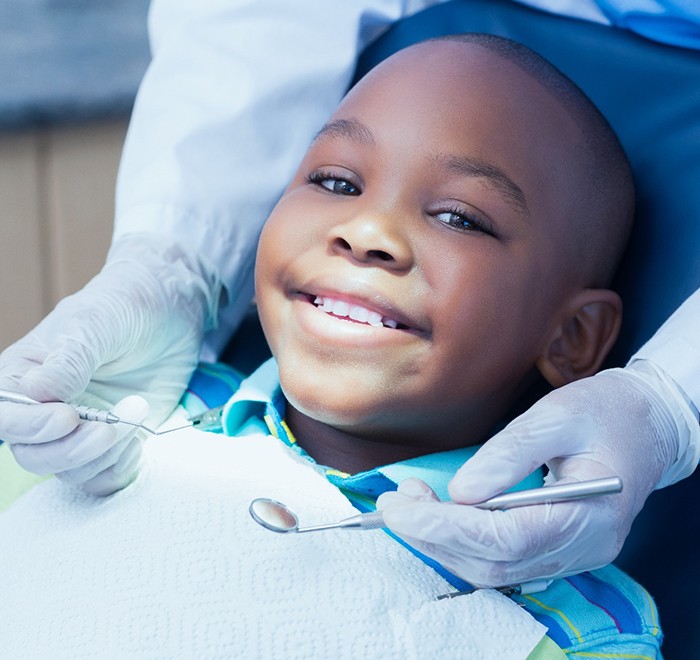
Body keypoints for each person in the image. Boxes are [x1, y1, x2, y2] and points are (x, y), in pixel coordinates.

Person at [0, 35, 662, 658]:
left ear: (572, 337)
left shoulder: (580, 628)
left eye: (460, 217)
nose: (366, 229)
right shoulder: (100, 427)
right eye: (337, 183)